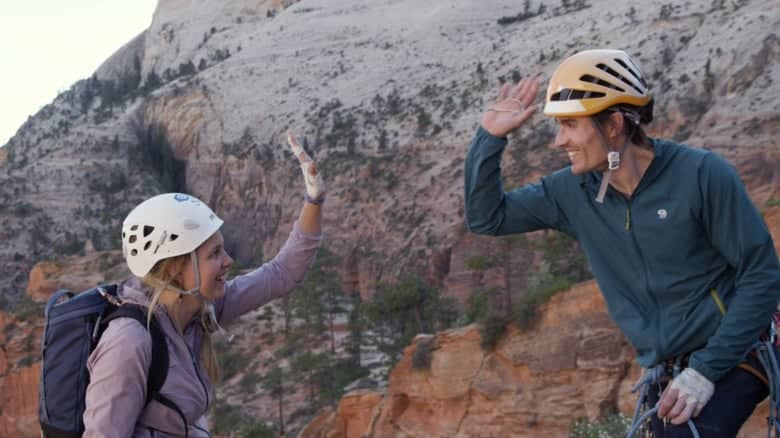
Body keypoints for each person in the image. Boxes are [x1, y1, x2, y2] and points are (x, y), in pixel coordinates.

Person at [464, 49, 780, 436]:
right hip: (666, 369)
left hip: (737, 349)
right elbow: (487, 217)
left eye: (570, 125)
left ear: (613, 123)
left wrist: (706, 371)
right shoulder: (572, 192)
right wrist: (489, 139)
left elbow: (761, 275)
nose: (559, 141)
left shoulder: (701, 175)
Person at [82, 130, 324, 437]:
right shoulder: (129, 343)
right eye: (214, 254)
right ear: (174, 269)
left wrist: (314, 198)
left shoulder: (199, 310)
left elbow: (282, 273)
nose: (228, 261)